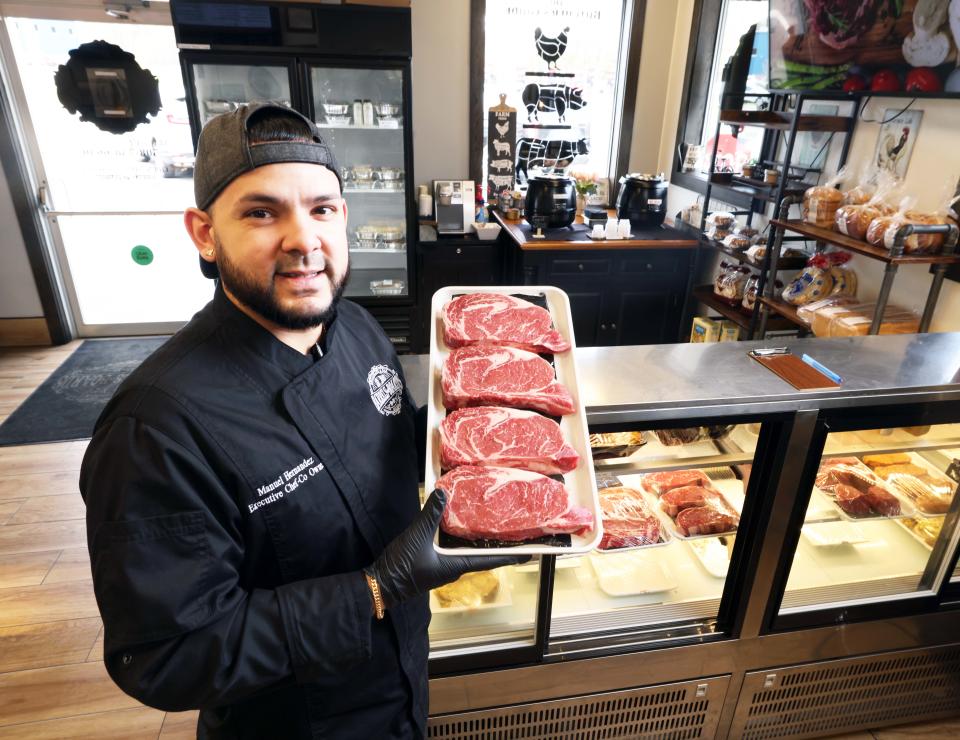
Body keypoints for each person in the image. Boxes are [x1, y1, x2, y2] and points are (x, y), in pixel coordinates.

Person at [80, 102, 523, 739]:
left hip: (401, 690)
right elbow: (167, 657)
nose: (304, 240)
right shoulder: (154, 429)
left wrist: (481, 429)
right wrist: (374, 589)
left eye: (322, 209)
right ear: (204, 233)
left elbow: (382, 445)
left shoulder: (358, 329)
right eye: (262, 212)